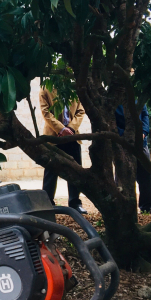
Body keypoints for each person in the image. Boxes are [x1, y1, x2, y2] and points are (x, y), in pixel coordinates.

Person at [39, 86, 87, 214]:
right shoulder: (46, 88)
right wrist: (61, 129)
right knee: (51, 169)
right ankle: (48, 203)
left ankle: (75, 203)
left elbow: (81, 111)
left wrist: (71, 128)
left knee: (75, 169)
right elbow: (45, 112)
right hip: (54, 136)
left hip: (73, 136)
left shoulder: (74, 88)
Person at [114, 104, 151, 215]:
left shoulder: (137, 97)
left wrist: (143, 133)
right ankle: (122, 206)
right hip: (122, 142)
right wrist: (124, 135)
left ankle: (147, 206)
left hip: (140, 143)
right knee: (123, 173)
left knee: (145, 174)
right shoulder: (114, 98)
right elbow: (111, 121)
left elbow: (145, 115)